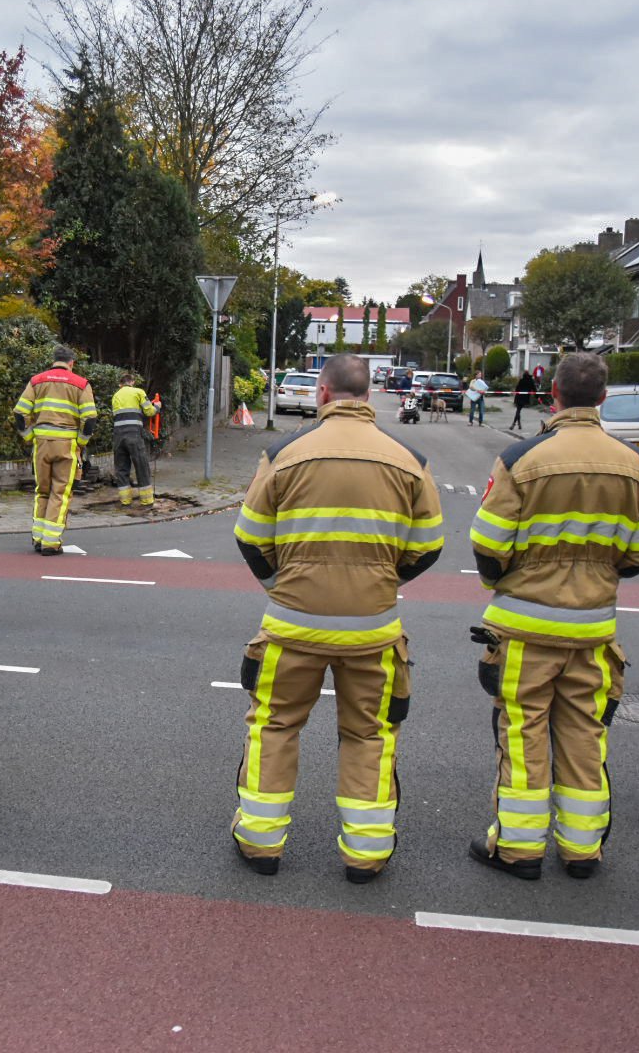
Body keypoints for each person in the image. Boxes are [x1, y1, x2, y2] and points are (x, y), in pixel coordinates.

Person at [230, 354, 444, 884]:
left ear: (322, 394)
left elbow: (251, 536)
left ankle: (260, 844)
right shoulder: (409, 459)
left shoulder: (283, 453)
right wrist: (380, 585)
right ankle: (366, 856)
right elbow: (430, 547)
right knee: (370, 734)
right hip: (372, 629)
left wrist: (284, 586)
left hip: (292, 624)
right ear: (368, 395)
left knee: (275, 726)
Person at [467, 353, 639, 880]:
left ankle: (518, 848)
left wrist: (506, 582)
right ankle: (582, 851)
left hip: (525, 628)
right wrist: (601, 574)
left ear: (551, 393)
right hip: (594, 628)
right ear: (604, 398)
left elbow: (488, 544)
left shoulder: (521, 458)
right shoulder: (638, 465)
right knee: (585, 736)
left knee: (522, 733)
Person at [12, 345, 97, 555]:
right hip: (67, 445)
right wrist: (80, 442)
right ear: (72, 363)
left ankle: (38, 538)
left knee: (42, 491)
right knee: (60, 492)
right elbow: (90, 419)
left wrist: (30, 437)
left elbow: (20, 414)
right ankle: (51, 542)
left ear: (53, 360)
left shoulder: (36, 381)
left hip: (41, 444)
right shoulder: (81, 384)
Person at [110, 371, 159, 510]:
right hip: (134, 435)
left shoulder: (115, 396)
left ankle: (125, 502)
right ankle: (147, 501)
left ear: (121, 384)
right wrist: (158, 406)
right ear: (132, 382)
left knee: (121, 467)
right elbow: (149, 412)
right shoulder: (138, 392)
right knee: (141, 465)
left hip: (118, 436)